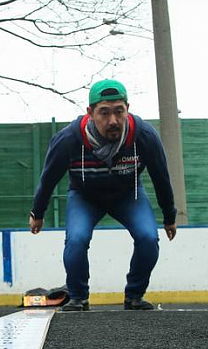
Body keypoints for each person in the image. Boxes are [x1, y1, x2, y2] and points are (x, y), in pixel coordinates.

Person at [29, 79, 177, 312]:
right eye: (104, 113)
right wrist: (37, 212)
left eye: (119, 112)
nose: (113, 121)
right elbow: (48, 178)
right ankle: (78, 296)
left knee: (148, 237)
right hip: (84, 196)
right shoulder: (68, 139)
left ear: (128, 108)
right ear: (90, 113)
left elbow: (162, 178)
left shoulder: (144, 136)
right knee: (76, 239)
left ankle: (134, 296)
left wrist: (170, 216)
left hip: (128, 194)